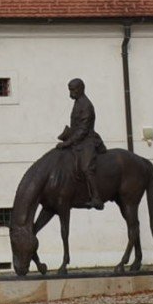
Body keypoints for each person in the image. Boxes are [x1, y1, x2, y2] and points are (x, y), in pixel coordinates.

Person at [54, 77, 105, 208]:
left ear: (81, 89)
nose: (71, 93)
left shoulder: (86, 105)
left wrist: (67, 142)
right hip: (77, 139)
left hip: (87, 140)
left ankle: (96, 198)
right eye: (69, 90)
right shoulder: (77, 102)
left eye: (73, 90)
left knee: (87, 168)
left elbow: (83, 130)